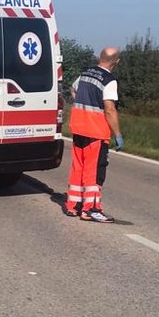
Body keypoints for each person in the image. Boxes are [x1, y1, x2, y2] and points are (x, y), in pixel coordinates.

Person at [64, 46, 124, 222]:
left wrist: (82, 104)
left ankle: (73, 205)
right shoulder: (109, 79)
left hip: (78, 126)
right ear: (117, 62)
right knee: (94, 170)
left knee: (78, 167)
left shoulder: (86, 73)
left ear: (101, 57)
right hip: (95, 130)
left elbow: (73, 89)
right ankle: (91, 209)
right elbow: (110, 109)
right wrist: (117, 134)